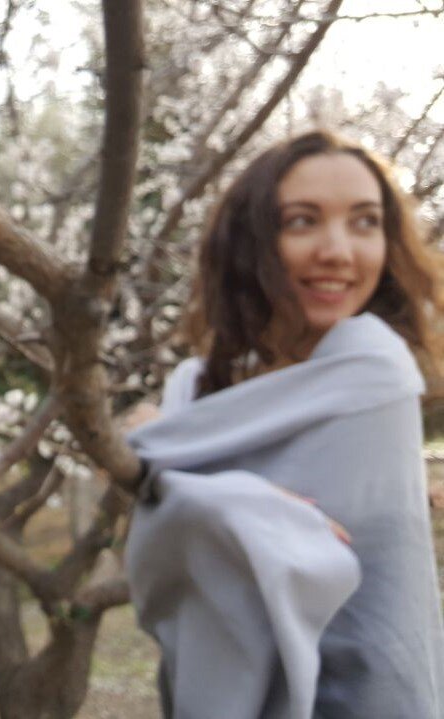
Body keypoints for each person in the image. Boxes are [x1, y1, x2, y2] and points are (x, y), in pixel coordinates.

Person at [124, 130, 444, 718]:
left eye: (366, 222)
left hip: (367, 693)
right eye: (302, 221)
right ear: (252, 241)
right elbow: (160, 555)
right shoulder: (195, 386)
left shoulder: (374, 364)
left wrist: (190, 476)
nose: (339, 251)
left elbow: (151, 466)